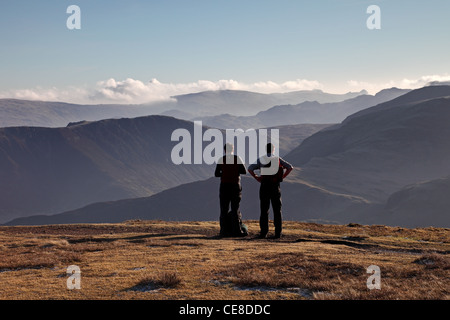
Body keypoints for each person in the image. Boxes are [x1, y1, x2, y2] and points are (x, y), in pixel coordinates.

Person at [248, 143, 293, 239]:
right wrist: (282, 177)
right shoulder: (277, 159)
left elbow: (250, 168)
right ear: (273, 149)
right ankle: (278, 233)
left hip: (264, 186)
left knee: (264, 210)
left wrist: (256, 177)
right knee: (277, 210)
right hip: (275, 186)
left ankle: (264, 232)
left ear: (266, 149)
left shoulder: (261, 159)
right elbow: (290, 167)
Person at [215, 143, 248, 237]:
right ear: (233, 149)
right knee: (235, 208)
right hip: (235, 185)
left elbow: (216, 174)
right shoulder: (237, 158)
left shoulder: (221, 159)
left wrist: (224, 173)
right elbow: (243, 171)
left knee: (223, 209)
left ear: (225, 150)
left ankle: (223, 231)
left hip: (224, 186)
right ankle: (237, 230)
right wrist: (234, 172)